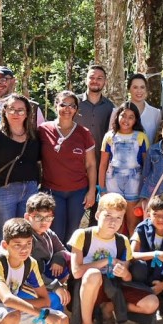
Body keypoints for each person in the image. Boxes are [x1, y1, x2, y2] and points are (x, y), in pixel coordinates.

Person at [68, 193, 160, 324]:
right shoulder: (82, 235)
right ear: (97, 215)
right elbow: (77, 271)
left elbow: (127, 279)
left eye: (119, 217)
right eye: (108, 215)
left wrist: (124, 273)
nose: (113, 221)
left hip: (112, 288)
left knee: (151, 302)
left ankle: (107, 308)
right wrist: (105, 261)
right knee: (93, 274)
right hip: (86, 288)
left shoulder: (122, 240)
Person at [0, 66, 44, 256]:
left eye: (3, 79)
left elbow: (40, 154)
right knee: (0, 230)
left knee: (23, 232)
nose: (16, 113)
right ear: (5, 111)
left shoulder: (34, 121)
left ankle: (19, 272)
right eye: (12, 109)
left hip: (28, 187)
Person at [38, 91, 96, 244]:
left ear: (76, 109)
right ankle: (54, 264)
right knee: (55, 230)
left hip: (78, 191)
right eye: (63, 104)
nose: (67, 109)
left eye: (72, 106)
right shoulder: (43, 130)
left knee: (73, 232)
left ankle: (69, 265)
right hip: (52, 190)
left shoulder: (84, 133)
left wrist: (91, 191)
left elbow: (90, 164)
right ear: (56, 105)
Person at [99, 101, 149, 236]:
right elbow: (103, 165)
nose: (126, 120)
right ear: (117, 116)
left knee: (133, 224)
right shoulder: (109, 136)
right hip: (113, 183)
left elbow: (146, 166)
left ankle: (132, 255)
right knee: (115, 224)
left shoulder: (141, 137)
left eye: (131, 117)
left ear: (136, 120)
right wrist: (102, 189)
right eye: (123, 115)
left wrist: (144, 191)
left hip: (134, 183)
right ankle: (115, 254)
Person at [76, 65, 115, 221]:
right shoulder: (74, 102)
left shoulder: (110, 107)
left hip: (99, 165)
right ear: (86, 79)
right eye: (92, 77)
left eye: (100, 78)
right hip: (75, 164)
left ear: (105, 81)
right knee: (75, 211)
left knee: (97, 213)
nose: (95, 81)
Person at [24, 192, 71, 290]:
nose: (44, 222)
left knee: (70, 263)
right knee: (56, 299)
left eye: (48, 218)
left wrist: (58, 259)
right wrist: (55, 286)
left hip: (44, 273)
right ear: (27, 217)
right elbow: (29, 271)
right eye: (38, 217)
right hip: (28, 279)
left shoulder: (49, 233)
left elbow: (63, 251)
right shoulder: (25, 237)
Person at [123, 73, 162, 143]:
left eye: (142, 87)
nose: (139, 91)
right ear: (129, 89)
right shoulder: (118, 112)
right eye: (135, 87)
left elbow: (158, 140)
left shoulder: (156, 113)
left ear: (146, 90)